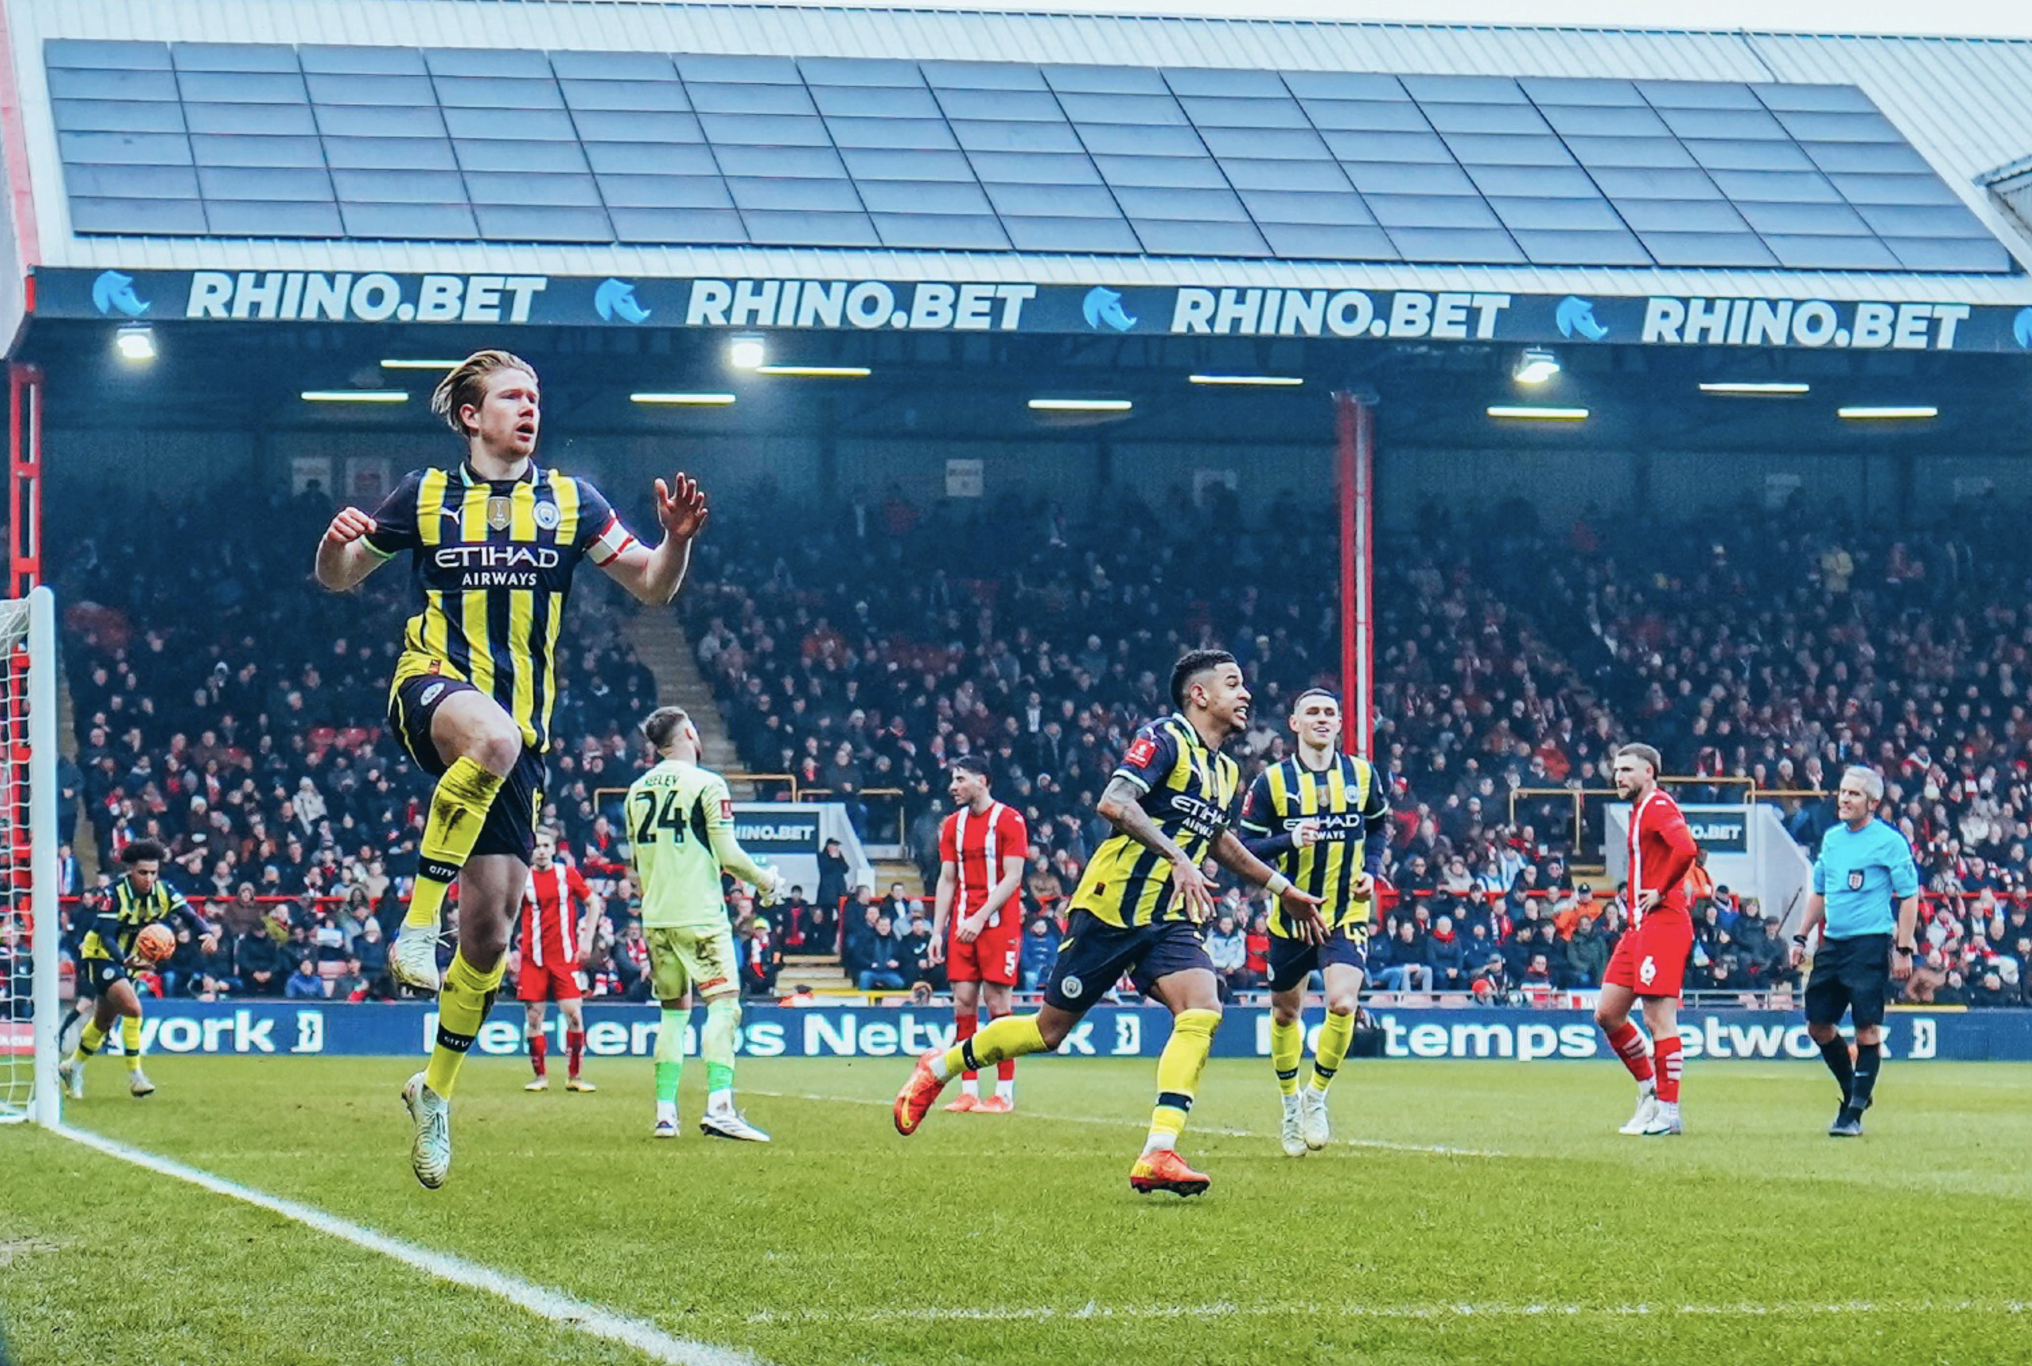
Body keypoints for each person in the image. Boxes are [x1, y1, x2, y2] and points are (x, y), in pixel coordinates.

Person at [315, 348, 708, 1189]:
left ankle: (435, 1093)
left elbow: (651, 588)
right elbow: (340, 578)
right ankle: (415, 925)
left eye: (536, 395)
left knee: (491, 937)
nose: (530, 408)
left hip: (522, 738)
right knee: (489, 739)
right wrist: (335, 544)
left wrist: (674, 544)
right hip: (433, 691)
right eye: (511, 397)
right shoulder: (424, 496)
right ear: (470, 415)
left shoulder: (571, 500)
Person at [893, 650, 1326, 1197]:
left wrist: (1282, 889)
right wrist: (1177, 856)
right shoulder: (1164, 738)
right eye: (1234, 684)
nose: (1246, 695)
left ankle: (1158, 1152)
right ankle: (941, 1066)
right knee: (1046, 1032)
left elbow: (1219, 840)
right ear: (1200, 694)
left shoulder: (1226, 769)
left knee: (1202, 1008)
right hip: (1110, 905)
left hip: (1166, 917)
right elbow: (1115, 802)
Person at [1239, 688, 1389, 1158]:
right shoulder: (1271, 783)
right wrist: (1289, 838)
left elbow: (1379, 826)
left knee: (1343, 1004)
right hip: (1291, 915)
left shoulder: (1363, 776)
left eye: (1330, 713)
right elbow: (1243, 848)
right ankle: (1289, 1104)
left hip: (1346, 911)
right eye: (1313, 713)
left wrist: (1373, 871)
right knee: (1287, 1013)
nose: (1322, 719)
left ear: (1340, 724)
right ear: (1294, 723)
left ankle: (1317, 1096)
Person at [626, 705, 786, 1141]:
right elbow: (730, 856)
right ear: (690, 733)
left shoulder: (635, 791)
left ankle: (665, 1115)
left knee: (673, 1016)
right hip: (698, 914)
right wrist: (767, 881)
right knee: (724, 1005)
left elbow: (639, 863)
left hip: (656, 917)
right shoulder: (708, 784)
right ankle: (720, 1105)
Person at [1789, 766, 1919, 1137]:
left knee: (1866, 1029)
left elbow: (1909, 895)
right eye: (1843, 792)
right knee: (1818, 1026)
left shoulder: (1889, 842)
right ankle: (1854, 1091)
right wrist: (1800, 938)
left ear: (1873, 803)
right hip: (1833, 944)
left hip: (1869, 944)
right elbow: (1820, 891)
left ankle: (1854, 1114)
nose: (1844, 799)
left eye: (1854, 794)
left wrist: (1904, 948)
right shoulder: (1832, 839)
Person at [1594, 743, 1700, 1137]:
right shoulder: (1639, 810)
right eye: (1617, 770)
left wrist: (1660, 890)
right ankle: (1649, 1093)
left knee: (1659, 1020)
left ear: (1649, 773)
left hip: (1664, 923)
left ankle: (1669, 1112)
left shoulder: (1657, 806)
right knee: (1607, 1013)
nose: (1619, 776)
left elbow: (1687, 848)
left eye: (1627, 770)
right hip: (1638, 927)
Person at [58, 839, 217, 1100]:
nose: (149, 878)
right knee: (133, 1009)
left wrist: (207, 934)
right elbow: (107, 937)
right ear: (131, 870)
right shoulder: (113, 894)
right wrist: (124, 961)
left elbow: (191, 917)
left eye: (154, 872)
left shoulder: (164, 891)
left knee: (103, 1021)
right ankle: (136, 1077)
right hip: (101, 955)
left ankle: (71, 1067)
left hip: (130, 960)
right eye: (143, 872)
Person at [926, 755, 1029, 1114]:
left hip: (998, 926)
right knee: (963, 1004)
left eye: (960, 779)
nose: (953, 787)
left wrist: (980, 917)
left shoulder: (1009, 820)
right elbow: (947, 879)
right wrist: (937, 931)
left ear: (982, 781)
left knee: (999, 1006)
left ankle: (1003, 1092)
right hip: (961, 928)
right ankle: (968, 1089)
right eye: (953, 780)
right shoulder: (952, 825)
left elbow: (1013, 877)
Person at [515, 827, 604, 1093]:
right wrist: (510, 948)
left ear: (553, 849)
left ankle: (574, 1076)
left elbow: (594, 904)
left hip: (564, 958)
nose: (541, 851)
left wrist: (587, 939)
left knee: (574, 1016)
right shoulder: (523, 878)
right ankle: (540, 1077)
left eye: (545, 846)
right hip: (533, 959)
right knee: (533, 1018)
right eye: (537, 846)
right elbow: (507, 913)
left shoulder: (567, 874)